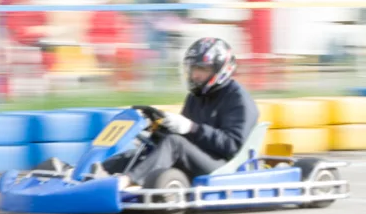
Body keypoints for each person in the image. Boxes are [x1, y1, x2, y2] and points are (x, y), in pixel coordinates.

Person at [40, 37, 259, 189]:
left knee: (174, 143)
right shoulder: (197, 96)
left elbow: (230, 146)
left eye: (201, 70)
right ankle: (85, 174)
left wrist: (190, 127)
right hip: (197, 157)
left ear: (220, 70)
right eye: (193, 69)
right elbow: (184, 137)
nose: (195, 75)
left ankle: (125, 182)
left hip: (221, 166)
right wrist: (156, 128)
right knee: (147, 146)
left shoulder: (238, 100)